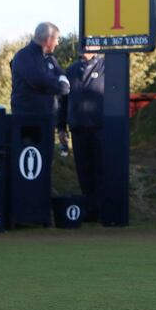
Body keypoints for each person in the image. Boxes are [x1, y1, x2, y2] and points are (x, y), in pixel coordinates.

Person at [58, 52, 105, 221]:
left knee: (100, 170)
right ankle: (90, 211)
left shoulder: (106, 67)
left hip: (100, 128)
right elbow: (63, 100)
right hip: (77, 128)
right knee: (83, 172)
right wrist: (61, 127)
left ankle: (102, 211)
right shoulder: (71, 70)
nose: (85, 47)